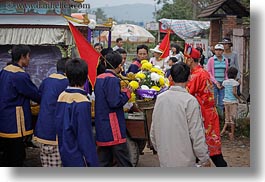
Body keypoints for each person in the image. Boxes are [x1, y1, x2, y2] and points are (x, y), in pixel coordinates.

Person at [150, 62, 211, 167]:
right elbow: (196, 134)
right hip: (185, 160)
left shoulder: (161, 98)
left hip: (165, 158)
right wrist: (204, 158)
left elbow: (154, 129)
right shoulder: (190, 101)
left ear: (170, 78)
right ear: (189, 77)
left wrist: (160, 149)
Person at [185, 46, 228, 167]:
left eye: (186, 58)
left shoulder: (196, 75)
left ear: (190, 60)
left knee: (208, 147)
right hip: (207, 112)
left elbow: (186, 94)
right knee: (207, 146)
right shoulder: (201, 72)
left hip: (203, 114)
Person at [0, 45, 40, 166]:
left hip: (4, 118)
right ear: (22, 57)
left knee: (6, 154)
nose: (29, 59)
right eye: (28, 56)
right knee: (16, 156)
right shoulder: (19, 75)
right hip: (15, 122)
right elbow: (34, 93)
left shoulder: (4, 71)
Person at [55, 58, 98, 167]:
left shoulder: (62, 95)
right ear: (85, 76)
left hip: (64, 151)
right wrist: (93, 162)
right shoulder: (82, 101)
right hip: (78, 156)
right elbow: (85, 137)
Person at [94, 51, 133, 167]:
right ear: (119, 65)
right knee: (123, 158)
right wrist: (127, 93)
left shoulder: (99, 78)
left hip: (102, 122)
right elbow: (114, 102)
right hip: (113, 124)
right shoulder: (113, 80)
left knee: (104, 159)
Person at [34, 58, 69, 167]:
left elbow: (39, 96)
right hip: (55, 134)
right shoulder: (67, 83)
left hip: (41, 131)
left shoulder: (47, 80)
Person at [207, 44, 229, 116]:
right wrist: (216, 82)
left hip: (223, 83)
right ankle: (214, 117)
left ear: (223, 51)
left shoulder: (225, 60)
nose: (218, 52)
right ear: (214, 51)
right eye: (217, 50)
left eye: (220, 50)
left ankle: (221, 117)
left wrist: (225, 82)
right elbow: (209, 72)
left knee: (222, 101)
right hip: (214, 83)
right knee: (213, 100)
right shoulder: (211, 60)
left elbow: (226, 72)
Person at [220, 67, 241, 141]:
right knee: (232, 118)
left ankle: (223, 131)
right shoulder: (235, 83)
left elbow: (221, 87)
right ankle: (232, 134)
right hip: (233, 102)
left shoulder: (225, 82)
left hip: (226, 101)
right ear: (235, 75)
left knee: (227, 117)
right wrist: (239, 99)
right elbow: (234, 92)